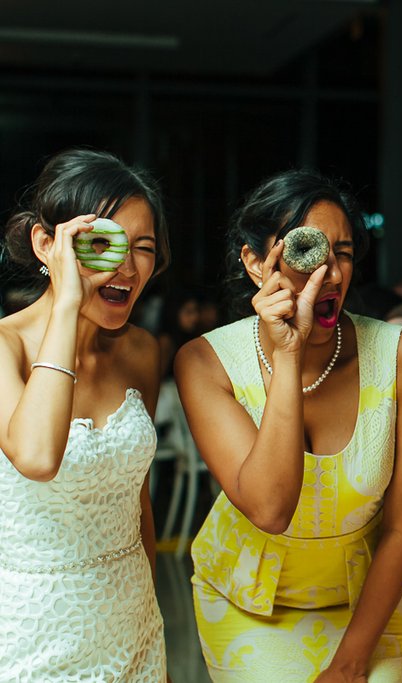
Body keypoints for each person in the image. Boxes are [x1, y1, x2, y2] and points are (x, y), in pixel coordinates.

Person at [175, 170, 402, 682]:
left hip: (369, 605)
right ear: (256, 263)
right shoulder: (205, 363)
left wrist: (351, 663)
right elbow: (270, 508)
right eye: (307, 250)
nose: (331, 273)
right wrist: (288, 355)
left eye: (344, 252)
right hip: (247, 605)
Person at [0, 149, 170, 679]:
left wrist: (153, 627)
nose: (127, 268)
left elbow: (138, 501)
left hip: (134, 630)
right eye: (102, 244)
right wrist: (68, 306)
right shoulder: (5, 348)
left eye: (144, 248)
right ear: (46, 245)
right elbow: (36, 457)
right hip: (33, 636)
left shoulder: (141, 350)